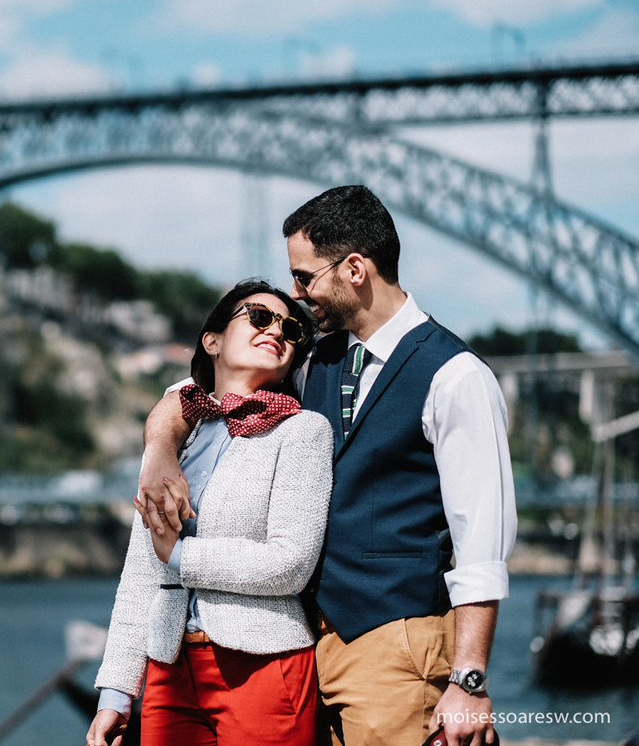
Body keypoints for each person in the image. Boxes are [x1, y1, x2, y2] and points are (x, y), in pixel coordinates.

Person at [137, 185, 517, 746]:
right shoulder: (314, 359)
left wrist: (469, 681)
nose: (295, 293)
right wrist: (160, 450)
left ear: (355, 269)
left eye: (304, 276)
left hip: (397, 644)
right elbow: (197, 392)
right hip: (306, 651)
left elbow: (482, 544)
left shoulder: (456, 377)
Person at [87, 280, 334, 746]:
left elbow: (291, 563)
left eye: (290, 329)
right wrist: (116, 693)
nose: (276, 331)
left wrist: (181, 556)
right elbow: (141, 571)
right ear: (212, 340)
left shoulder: (303, 432)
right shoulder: (175, 436)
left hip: (262, 664)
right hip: (168, 669)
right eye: (259, 317)